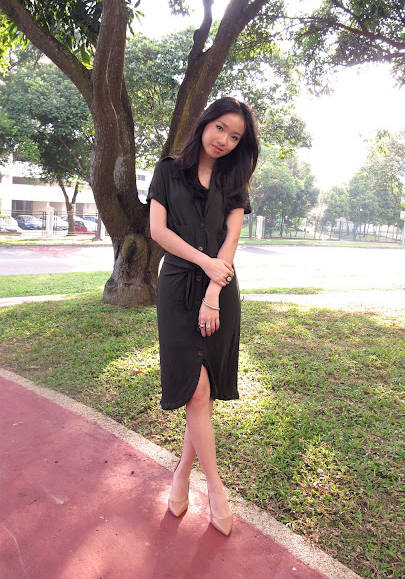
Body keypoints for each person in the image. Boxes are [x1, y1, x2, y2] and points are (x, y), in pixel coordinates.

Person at [148, 97, 259, 536]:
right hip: (177, 287)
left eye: (235, 137)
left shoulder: (234, 181)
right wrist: (204, 263)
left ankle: (181, 475)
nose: (224, 140)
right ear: (205, 123)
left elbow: (231, 240)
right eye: (220, 128)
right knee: (195, 391)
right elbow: (158, 231)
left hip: (220, 290)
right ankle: (215, 488)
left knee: (204, 395)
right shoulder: (167, 171)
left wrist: (214, 289)